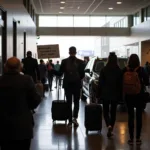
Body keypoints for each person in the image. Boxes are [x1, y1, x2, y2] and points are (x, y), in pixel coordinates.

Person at [0, 57, 41, 150]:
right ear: (20, 67)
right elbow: (35, 101)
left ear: (5, 67)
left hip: (3, 126)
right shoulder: (26, 80)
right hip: (23, 126)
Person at [123, 54, 149, 145]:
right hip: (139, 95)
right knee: (138, 117)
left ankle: (130, 138)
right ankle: (138, 138)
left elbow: (120, 81)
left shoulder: (125, 70)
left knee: (130, 116)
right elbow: (147, 82)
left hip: (128, 96)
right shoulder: (141, 70)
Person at [57, 46, 85, 127]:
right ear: (75, 52)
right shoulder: (80, 62)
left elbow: (60, 74)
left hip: (67, 85)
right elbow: (82, 75)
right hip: (76, 85)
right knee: (76, 102)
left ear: (69, 52)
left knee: (68, 103)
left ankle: (69, 121)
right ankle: (75, 119)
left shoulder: (64, 61)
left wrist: (51, 70)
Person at [98, 52, 122, 138]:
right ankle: (111, 126)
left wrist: (98, 94)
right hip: (115, 94)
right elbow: (120, 84)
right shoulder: (119, 70)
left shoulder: (103, 70)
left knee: (105, 111)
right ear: (116, 60)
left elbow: (100, 83)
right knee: (113, 112)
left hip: (105, 94)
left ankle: (108, 125)